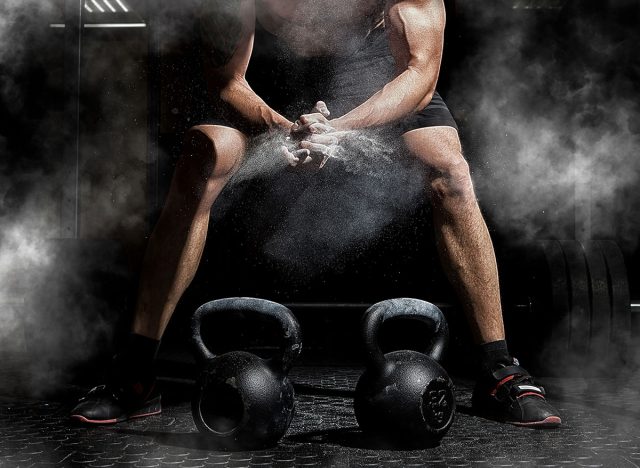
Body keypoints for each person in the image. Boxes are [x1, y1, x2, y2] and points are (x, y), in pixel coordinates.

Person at [71, 0, 561, 427]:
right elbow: (226, 79)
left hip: (376, 80)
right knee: (203, 156)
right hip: (261, 80)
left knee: (448, 165)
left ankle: (499, 369)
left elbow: (419, 74)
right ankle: (134, 372)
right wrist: (285, 128)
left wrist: (339, 130)